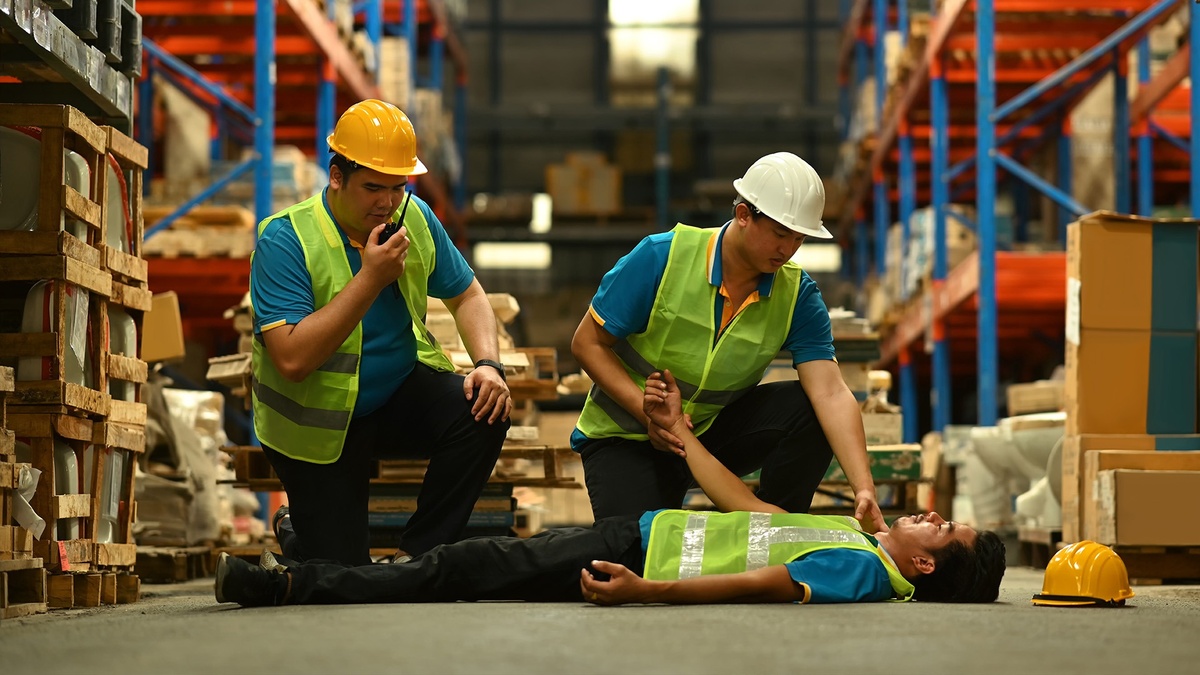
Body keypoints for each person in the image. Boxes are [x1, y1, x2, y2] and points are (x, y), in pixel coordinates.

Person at [214, 370, 1006, 607]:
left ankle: (293, 582)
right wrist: (683, 435)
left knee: (465, 566)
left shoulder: (866, 571)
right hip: (645, 534)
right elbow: (752, 510)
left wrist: (646, 591)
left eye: (943, 529)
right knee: (479, 567)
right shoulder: (858, 541)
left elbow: (767, 583)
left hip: (639, 553)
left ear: (924, 565)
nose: (933, 513)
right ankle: (313, 560)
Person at [249, 99, 511, 566]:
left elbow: (469, 295)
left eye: (397, 187)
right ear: (336, 177)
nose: (387, 203)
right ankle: (297, 529)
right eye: (373, 187)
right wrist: (371, 277)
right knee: (343, 575)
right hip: (319, 426)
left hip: (394, 396)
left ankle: (418, 555)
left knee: (483, 411)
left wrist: (489, 365)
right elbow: (292, 360)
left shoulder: (414, 218)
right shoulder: (285, 240)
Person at [570, 151, 885, 531]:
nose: (788, 250)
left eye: (799, 238)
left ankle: (779, 536)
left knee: (808, 410)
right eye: (780, 234)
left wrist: (863, 487)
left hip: (710, 433)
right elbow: (586, 343)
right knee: (637, 549)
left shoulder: (797, 296)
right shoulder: (661, 257)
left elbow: (831, 393)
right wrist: (648, 413)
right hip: (626, 436)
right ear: (743, 215)